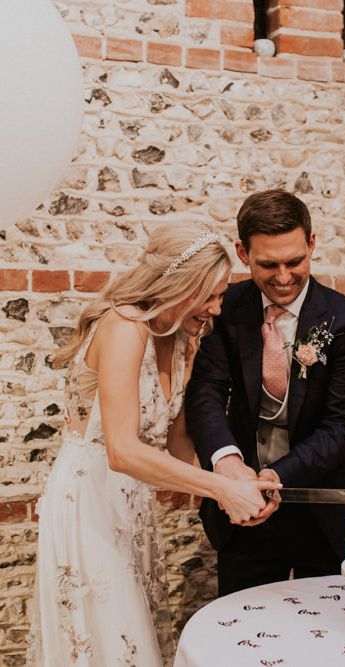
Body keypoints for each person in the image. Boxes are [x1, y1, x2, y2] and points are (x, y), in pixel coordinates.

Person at [27, 224, 281, 667]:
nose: (217, 309)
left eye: (222, 296)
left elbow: (179, 444)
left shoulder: (185, 338)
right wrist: (219, 490)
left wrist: (235, 478)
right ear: (179, 285)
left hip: (131, 503)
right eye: (210, 295)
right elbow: (121, 450)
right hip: (88, 500)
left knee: (130, 634)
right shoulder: (125, 326)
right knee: (109, 639)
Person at [185, 189, 345, 595]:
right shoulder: (224, 308)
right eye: (268, 264)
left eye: (295, 261)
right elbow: (206, 392)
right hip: (243, 507)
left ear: (311, 243)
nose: (284, 277)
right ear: (242, 252)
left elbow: (342, 426)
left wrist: (276, 476)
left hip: (324, 506)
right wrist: (228, 464)